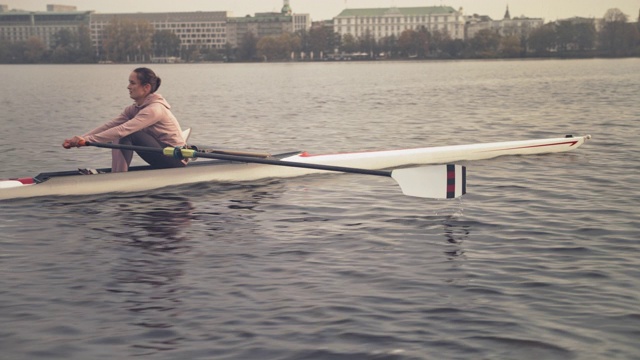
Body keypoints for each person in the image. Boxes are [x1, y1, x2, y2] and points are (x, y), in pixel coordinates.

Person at [63, 67, 187, 172]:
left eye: (132, 83)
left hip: (175, 159)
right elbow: (110, 125)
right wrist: (82, 138)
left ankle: (119, 177)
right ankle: (117, 174)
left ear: (146, 88)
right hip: (161, 152)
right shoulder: (133, 109)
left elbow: (122, 130)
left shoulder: (154, 109)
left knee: (127, 134)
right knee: (117, 133)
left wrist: (88, 140)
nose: (128, 87)